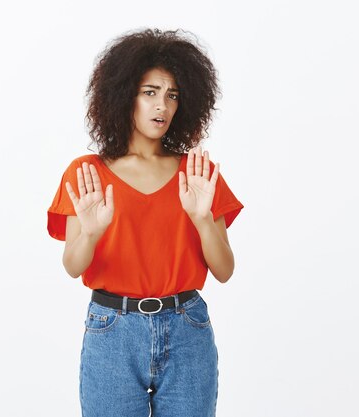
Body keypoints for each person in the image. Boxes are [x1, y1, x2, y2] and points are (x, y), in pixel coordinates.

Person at [46, 28, 244, 417]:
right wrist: (90, 232)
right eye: (150, 92)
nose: (163, 106)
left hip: (187, 329)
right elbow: (72, 266)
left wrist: (203, 219)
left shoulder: (197, 173)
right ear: (124, 97)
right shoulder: (86, 173)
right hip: (112, 333)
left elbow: (225, 270)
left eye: (172, 95)